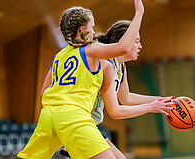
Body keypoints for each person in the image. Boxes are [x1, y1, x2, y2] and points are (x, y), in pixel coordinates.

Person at [17, 0, 145, 158]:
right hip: (75, 117)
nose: (93, 33)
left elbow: (44, 92)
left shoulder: (60, 56)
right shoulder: (90, 50)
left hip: (49, 116)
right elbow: (122, 48)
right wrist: (139, 13)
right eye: (91, 28)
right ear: (82, 30)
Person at [59, 20, 175, 159]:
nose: (140, 46)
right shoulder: (105, 63)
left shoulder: (120, 65)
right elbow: (115, 111)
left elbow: (126, 98)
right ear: (124, 41)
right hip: (77, 124)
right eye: (136, 41)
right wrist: (151, 107)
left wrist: (159, 100)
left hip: (89, 126)